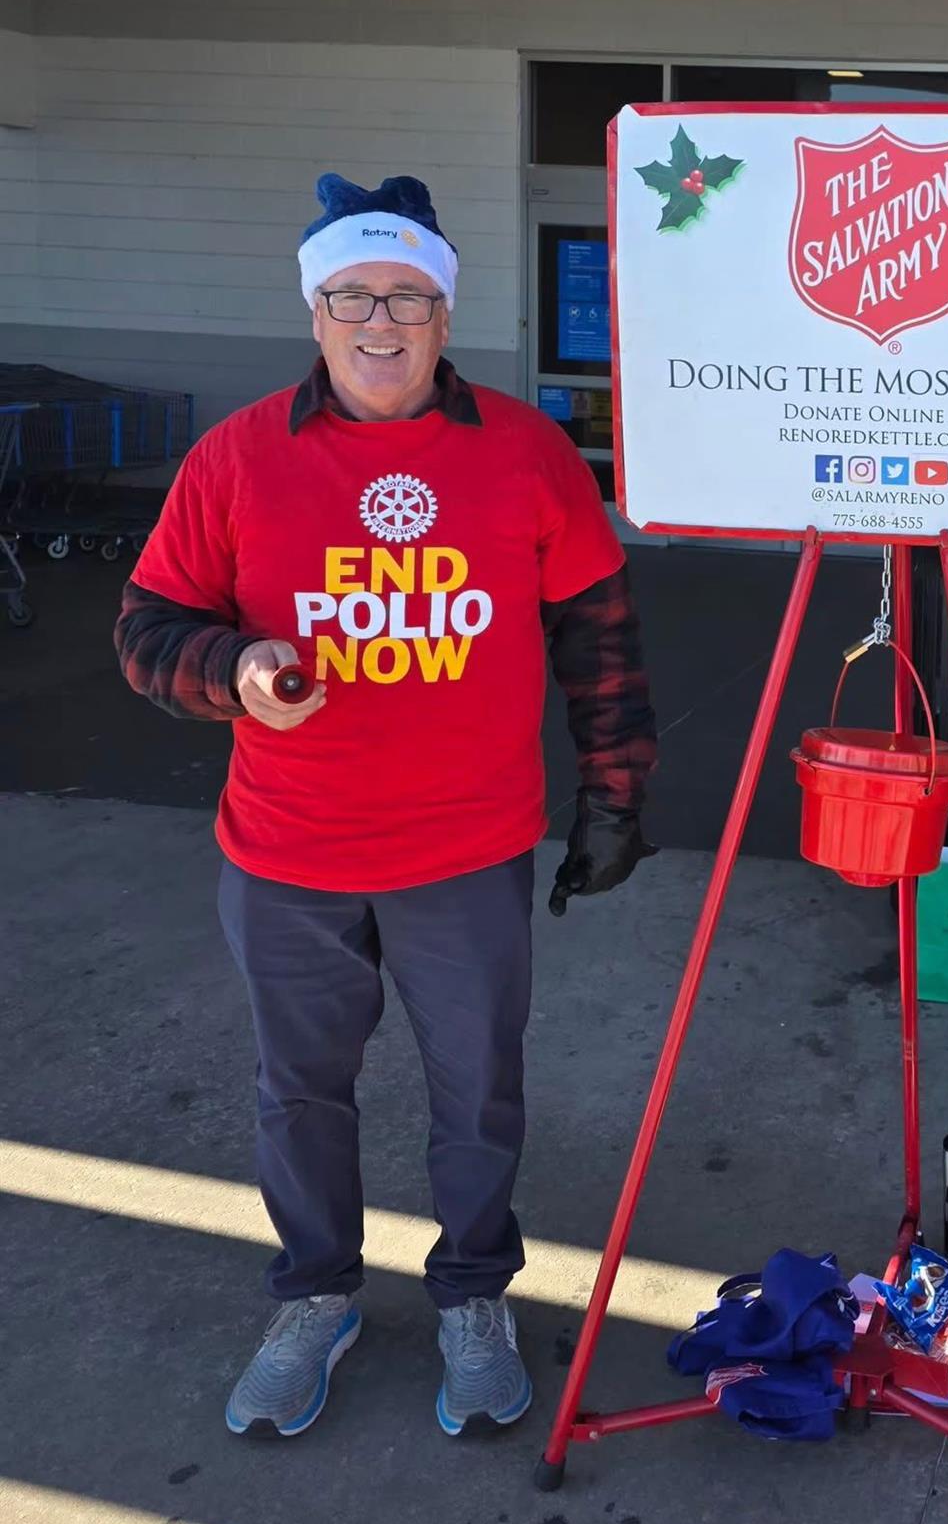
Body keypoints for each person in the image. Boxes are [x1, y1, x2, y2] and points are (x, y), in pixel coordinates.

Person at [116, 173, 656, 1441]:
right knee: (299, 1090)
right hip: (286, 852)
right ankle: (316, 1294)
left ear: (442, 314)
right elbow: (147, 631)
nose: (379, 321)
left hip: (464, 854)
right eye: (352, 295)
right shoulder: (237, 456)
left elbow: (603, 642)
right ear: (313, 310)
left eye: (406, 296)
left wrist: (615, 794)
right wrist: (233, 672)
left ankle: (473, 1294)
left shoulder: (522, 454)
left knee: (477, 1091)